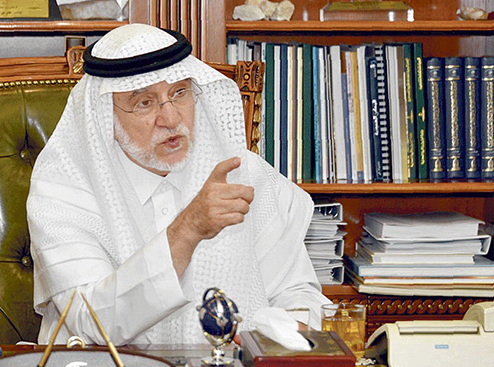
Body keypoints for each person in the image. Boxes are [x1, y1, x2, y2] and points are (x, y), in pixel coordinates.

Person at [26, 23, 330, 345]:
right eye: (145, 102)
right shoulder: (63, 190)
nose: (171, 119)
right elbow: (91, 321)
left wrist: (281, 340)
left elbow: (297, 293)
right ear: (105, 117)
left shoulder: (243, 174)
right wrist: (188, 229)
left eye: (180, 93)